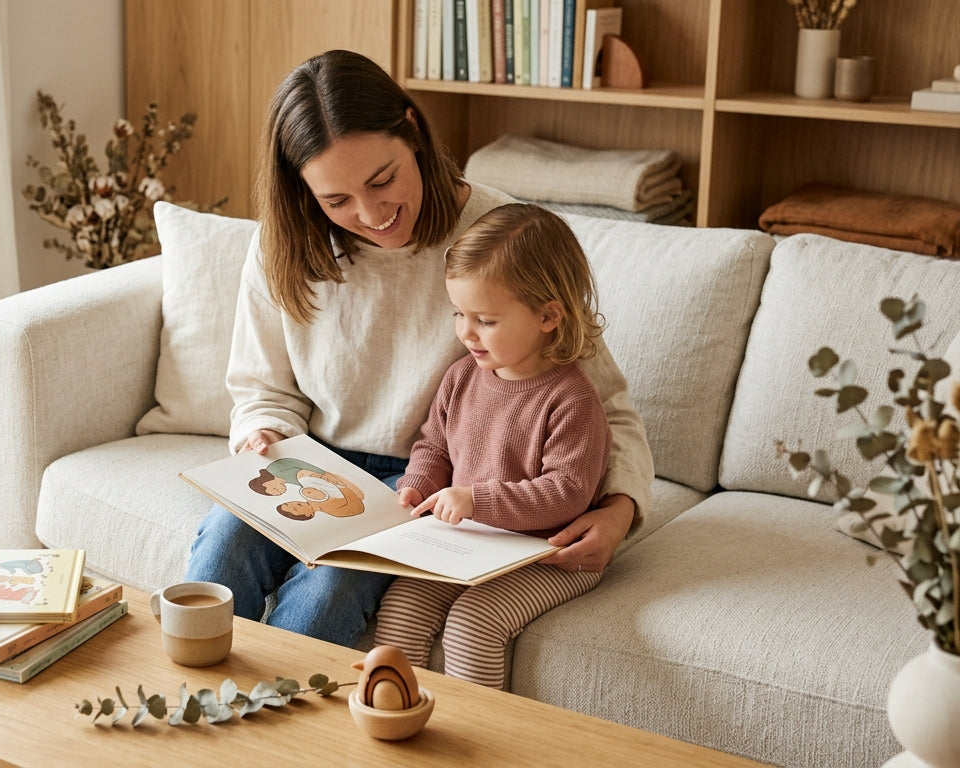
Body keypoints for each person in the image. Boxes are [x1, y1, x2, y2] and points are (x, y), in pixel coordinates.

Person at [183, 49, 653, 648]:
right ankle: (189, 712)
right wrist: (261, 438)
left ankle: (280, 723)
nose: (372, 214)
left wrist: (621, 508)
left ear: (412, 130)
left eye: (383, 180)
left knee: (332, 592)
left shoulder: (498, 236)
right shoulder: (285, 247)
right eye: (337, 201)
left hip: (420, 480)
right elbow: (262, 391)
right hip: (308, 462)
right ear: (303, 193)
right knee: (223, 549)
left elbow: (602, 402)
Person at [372, 203, 611, 689]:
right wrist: (418, 485)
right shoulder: (462, 376)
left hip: (549, 555)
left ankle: (477, 747)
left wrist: (477, 499)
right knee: (400, 609)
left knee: (472, 626)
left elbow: (567, 492)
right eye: (459, 313)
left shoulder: (572, 398)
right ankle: (398, 728)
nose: (465, 331)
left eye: (485, 319)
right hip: (471, 543)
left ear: (548, 316)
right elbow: (434, 445)